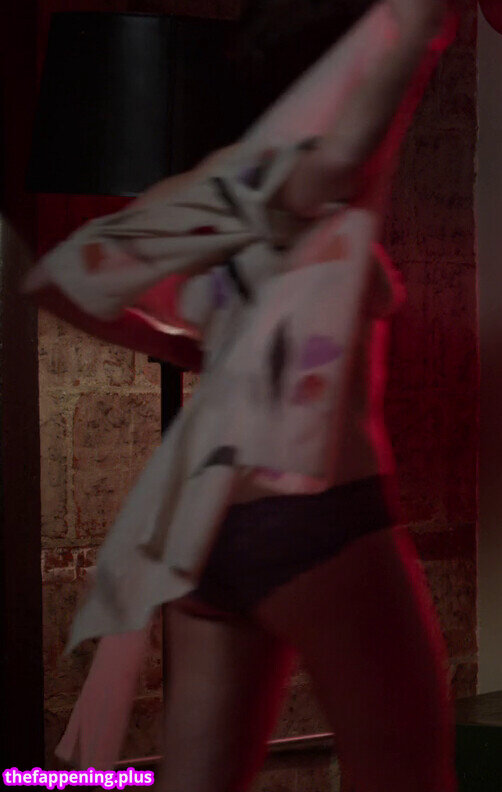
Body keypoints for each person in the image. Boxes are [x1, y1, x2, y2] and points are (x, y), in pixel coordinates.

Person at [23, 1, 460, 790]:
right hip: (314, 516)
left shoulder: (222, 182)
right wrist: (425, 26)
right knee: (411, 776)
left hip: (207, 530)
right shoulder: (310, 173)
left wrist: (186, 349)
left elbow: (59, 280)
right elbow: (349, 142)